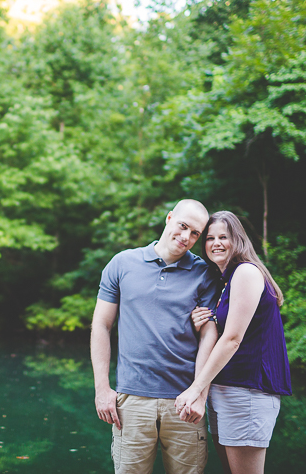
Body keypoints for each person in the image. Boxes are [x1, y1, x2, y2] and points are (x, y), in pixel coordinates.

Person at [91, 199, 222, 474]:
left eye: (195, 233)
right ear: (169, 217)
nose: (186, 237)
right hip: (132, 400)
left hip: (184, 401)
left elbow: (209, 335)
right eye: (183, 226)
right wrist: (102, 389)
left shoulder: (204, 273)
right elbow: (101, 326)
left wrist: (199, 393)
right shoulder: (122, 263)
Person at [175, 211, 291, 474]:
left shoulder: (246, 272)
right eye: (210, 237)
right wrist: (204, 321)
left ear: (237, 240)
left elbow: (233, 339)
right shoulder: (227, 281)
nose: (216, 243)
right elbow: (227, 331)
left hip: (248, 392)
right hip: (228, 391)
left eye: (223, 237)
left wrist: (195, 390)